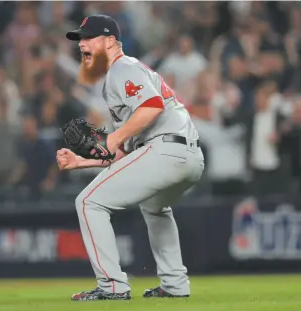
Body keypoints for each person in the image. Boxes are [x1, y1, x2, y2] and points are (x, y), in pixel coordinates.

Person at [57, 15, 204, 301]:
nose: (82, 44)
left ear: (110, 41)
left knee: (88, 202)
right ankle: (174, 285)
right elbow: (124, 153)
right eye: (80, 40)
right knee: (154, 206)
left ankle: (112, 286)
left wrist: (112, 137)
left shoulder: (122, 67)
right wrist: (81, 161)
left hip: (165, 151)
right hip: (186, 155)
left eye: (88, 38)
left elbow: (152, 107)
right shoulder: (121, 75)